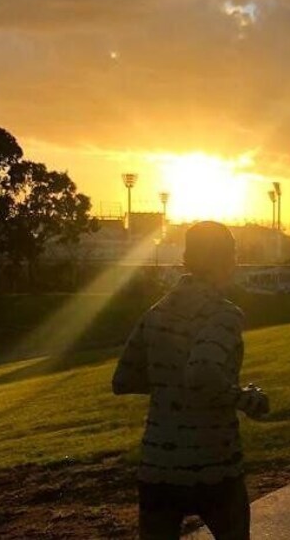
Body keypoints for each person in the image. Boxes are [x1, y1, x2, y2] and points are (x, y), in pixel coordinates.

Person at [112, 221, 269, 540]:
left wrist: (171, 387)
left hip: (157, 467)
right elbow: (202, 372)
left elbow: (124, 379)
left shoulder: (155, 312)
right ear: (225, 260)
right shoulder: (224, 314)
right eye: (233, 255)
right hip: (214, 465)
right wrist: (247, 399)